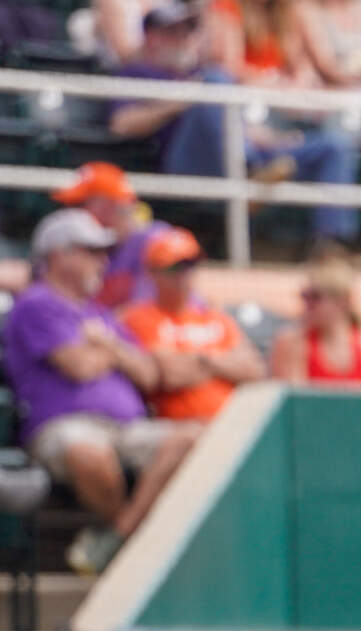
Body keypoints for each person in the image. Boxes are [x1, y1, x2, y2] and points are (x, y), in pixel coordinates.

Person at [3, 210, 196, 578]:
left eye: (104, 252)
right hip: (62, 426)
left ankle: (119, 537)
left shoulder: (100, 315)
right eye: (91, 251)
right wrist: (116, 355)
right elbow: (79, 366)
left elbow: (149, 374)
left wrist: (105, 345)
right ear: (58, 256)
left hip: (127, 427)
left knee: (193, 439)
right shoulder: (36, 303)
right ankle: (135, 548)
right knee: (90, 454)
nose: (103, 261)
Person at [109, 2, 360, 245]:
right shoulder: (137, 72)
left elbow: (225, 120)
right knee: (215, 79)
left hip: (240, 150)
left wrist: (267, 137)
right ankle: (250, 169)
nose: (182, 38)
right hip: (190, 162)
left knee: (334, 146)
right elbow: (122, 124)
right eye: (171, 31)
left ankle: (333, 246)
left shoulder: (194, 73)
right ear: (151, 37)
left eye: (186, 30)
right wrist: (183, 100)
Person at [117, 227, 267, 426]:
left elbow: (253, 370)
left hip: (233, 423)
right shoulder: (138, 317)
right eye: (174, 268)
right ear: (152, 272)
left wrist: (203, 360)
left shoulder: (216, 317)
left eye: (190, 265)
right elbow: (170, 374)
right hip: (181, 426)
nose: (183, 275)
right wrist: (224, 363)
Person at [50, 163, 174, 311]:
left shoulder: (154, 240)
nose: (70, 214)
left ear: (105, 206)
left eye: (78, 205)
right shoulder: (77, 248)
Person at [269, 253, 361, 385]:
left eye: (315, 297)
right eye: (304, 295)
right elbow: (295, 396)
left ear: (344, 300)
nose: (306, 304)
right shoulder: (292, 343)